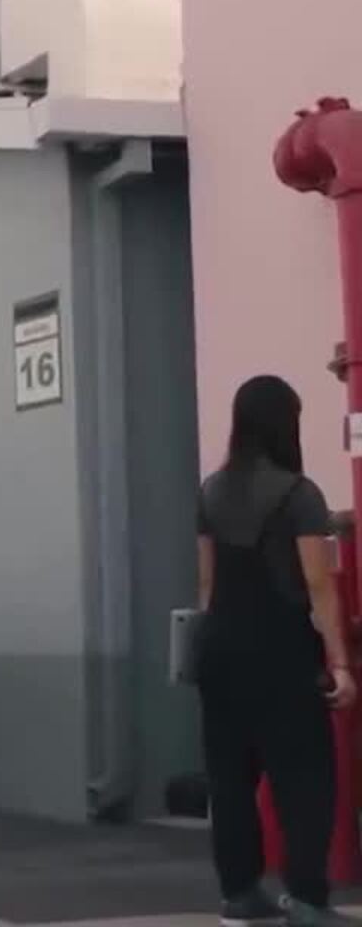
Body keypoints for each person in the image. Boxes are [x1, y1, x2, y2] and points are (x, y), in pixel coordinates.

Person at [195, 375, 357, 927]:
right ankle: (306, 899)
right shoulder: (299, 494)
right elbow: (317, 585)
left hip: (220, 649)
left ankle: (239, 895)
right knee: (305, 776)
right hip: (282, 651)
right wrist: (340, 663)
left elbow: (207, 585)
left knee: (230, 778)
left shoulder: (210, 492)